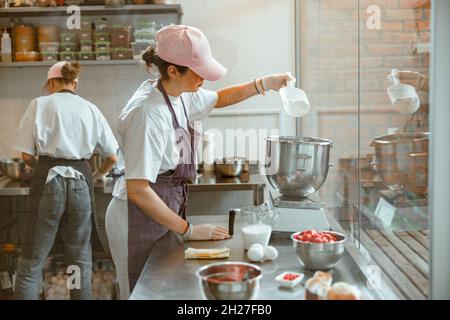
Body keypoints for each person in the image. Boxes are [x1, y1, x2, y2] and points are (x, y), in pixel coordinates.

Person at [105, 24, 294, 299]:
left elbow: (220, 98)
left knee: (162, 291)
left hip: (159, 210)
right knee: (141, 292)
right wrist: (188, 229)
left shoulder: (179, 94)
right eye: (200, 72)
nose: (205, 79)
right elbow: (138, 189)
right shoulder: (148, 114)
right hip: (134, 217)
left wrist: (265, 84)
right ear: (172, 70)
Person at [13, 61, 119, 300]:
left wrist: (42, 168)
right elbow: (112, 157)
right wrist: (95, 175)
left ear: (51, 82)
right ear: (75, 83)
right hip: (82, 183)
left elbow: (27, 155)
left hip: (48, 183)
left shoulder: (39, 104)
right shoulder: (90, 108)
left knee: (32, 258)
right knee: (79, 259)